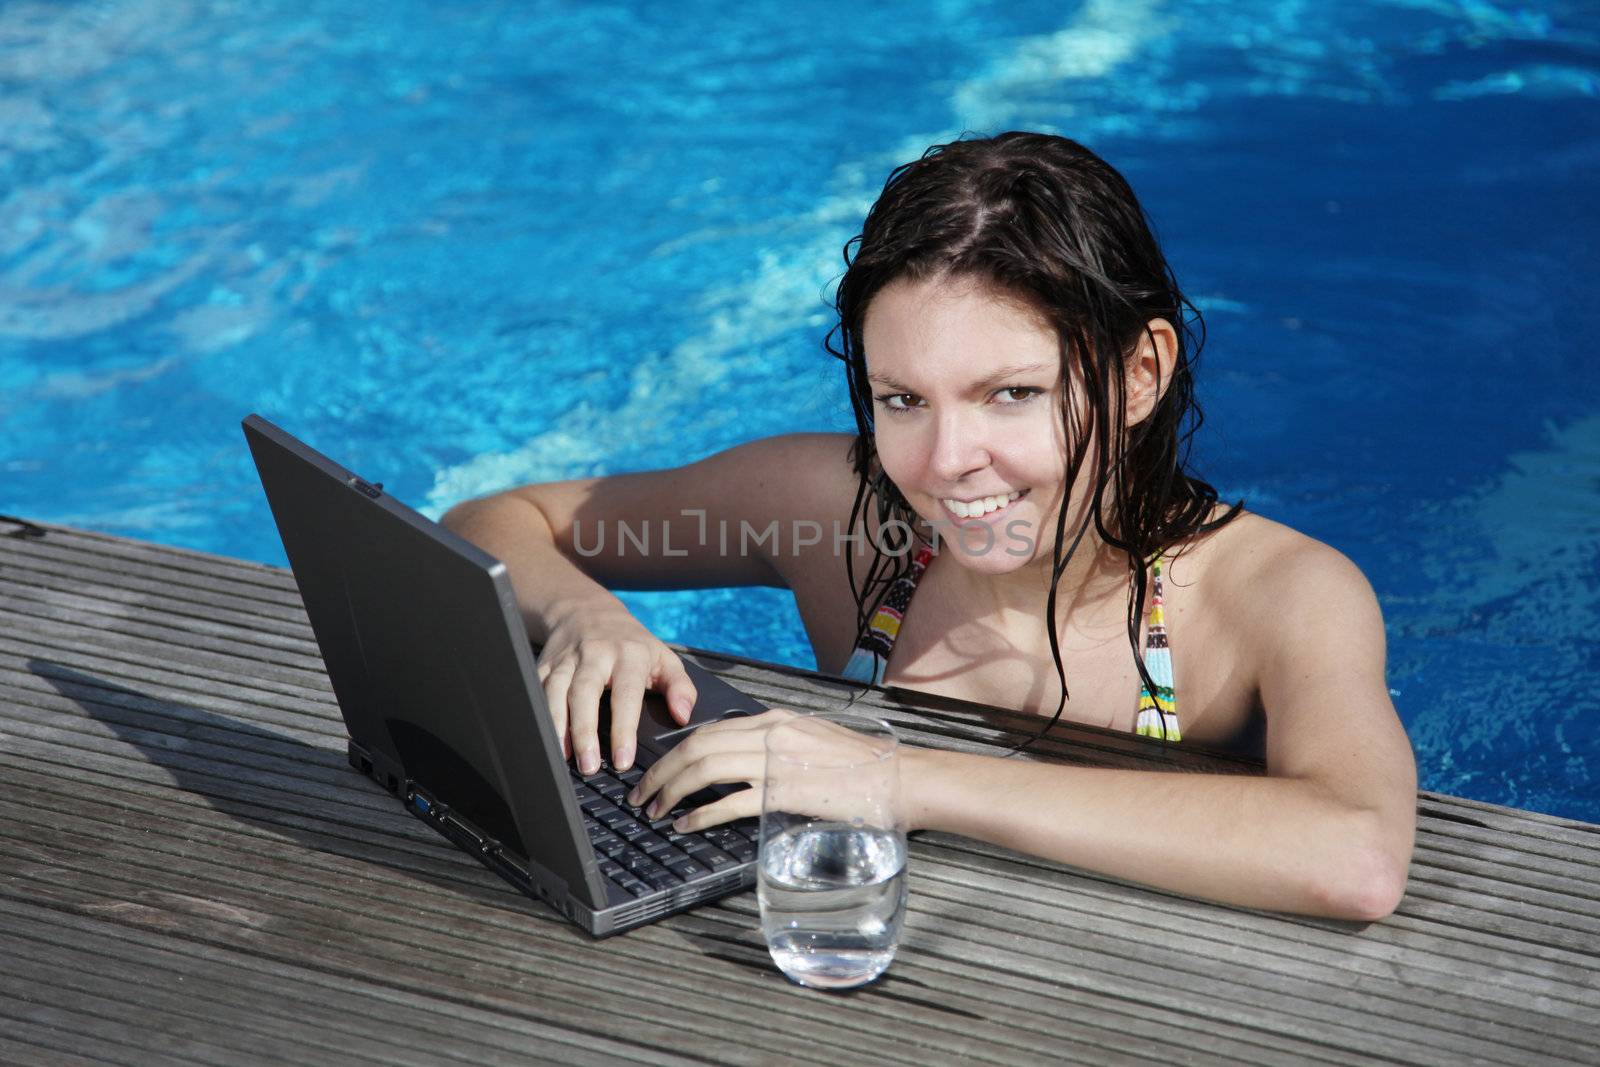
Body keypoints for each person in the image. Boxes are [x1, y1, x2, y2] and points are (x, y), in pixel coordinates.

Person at [442, 132, 1417, 921]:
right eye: (902, 399)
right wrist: (583, 613)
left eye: (1010, 392)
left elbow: (1355, 851)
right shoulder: (839, 515)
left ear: (1138, 376)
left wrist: (909, 781)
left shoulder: (1276, 597)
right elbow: (494, 518)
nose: (947, 461)